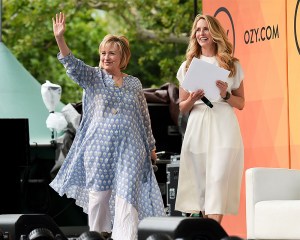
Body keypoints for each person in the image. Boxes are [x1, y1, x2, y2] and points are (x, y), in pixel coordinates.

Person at [49, 12, 165, 240]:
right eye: (103, 53)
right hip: (99, 150)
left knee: (127, 198)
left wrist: (151, 146)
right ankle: (97, 236)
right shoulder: (93, 77)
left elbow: (144, 116)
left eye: (112, 53)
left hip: (131, 150)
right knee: (99, 199)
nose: (106, 57)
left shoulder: (134, 83)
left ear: (123, 57)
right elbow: (72, 65)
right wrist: (60, 39)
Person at [175, 14, 245, 224]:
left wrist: (225, 95)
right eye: (198, 30)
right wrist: (193, 98)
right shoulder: (187, 66)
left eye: (205, 29)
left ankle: (212, 231)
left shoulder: (232, 64)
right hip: (198, 124)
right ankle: (207, 231)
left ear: (215, 33)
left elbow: (241, 103)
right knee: (203, 187)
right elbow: (182, 107)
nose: (201, 34)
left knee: (218, 179)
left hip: (224, 124)